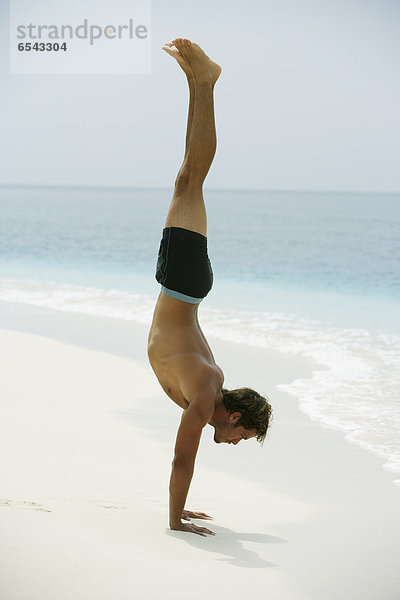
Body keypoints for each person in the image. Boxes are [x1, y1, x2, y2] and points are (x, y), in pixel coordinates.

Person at [147, 38, 272, 537]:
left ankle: (200, 83)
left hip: (183, 285)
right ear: (235, 415)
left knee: (188, 180)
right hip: (182, 283)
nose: (239, 443)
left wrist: (184, 509)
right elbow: (182, 459)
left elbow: (183, 457)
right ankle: (204, 82)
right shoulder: (204, 395)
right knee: (190, 179)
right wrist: (175, 520)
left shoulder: (210, 388)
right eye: (245, 434)